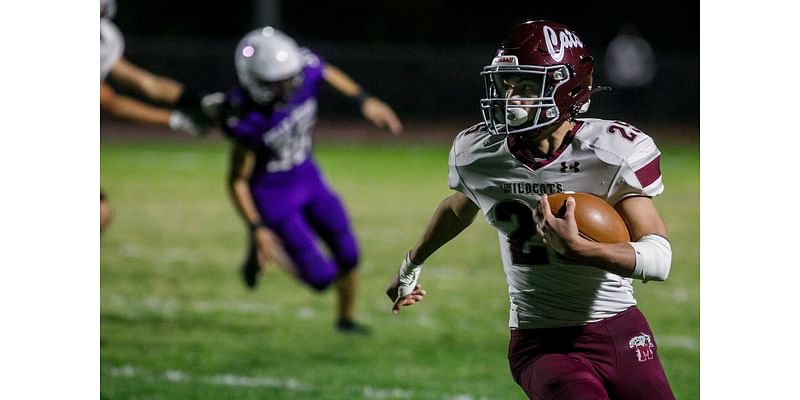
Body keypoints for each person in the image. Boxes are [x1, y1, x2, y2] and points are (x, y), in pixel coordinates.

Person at [386, 20, 675, 399]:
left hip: (617, 328)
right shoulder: (480, 154)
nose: (511, 100)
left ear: (567, 88)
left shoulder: (610, 153)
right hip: (540, 340)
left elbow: (659, 258)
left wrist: (584, 251)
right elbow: (460, 207)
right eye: (507, 85)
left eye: (526, 87)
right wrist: (411, 265)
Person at [208, 26, 403, 334]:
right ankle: (263, 246)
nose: (289, 85)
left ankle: (346, 321)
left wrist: (364, 100)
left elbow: (324, 71)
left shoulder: (301, 73)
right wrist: (256, 227)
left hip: (307, 176)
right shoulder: (246, 116)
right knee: (321, 278)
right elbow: (237, 180)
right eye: (278, 82)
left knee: (349, 253)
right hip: (273, 194)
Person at [100, 0, 210, 232]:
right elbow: (111, 103)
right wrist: (174, 120)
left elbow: (147, 83)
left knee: (99, 213)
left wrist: (201, 100)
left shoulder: (103, 38)